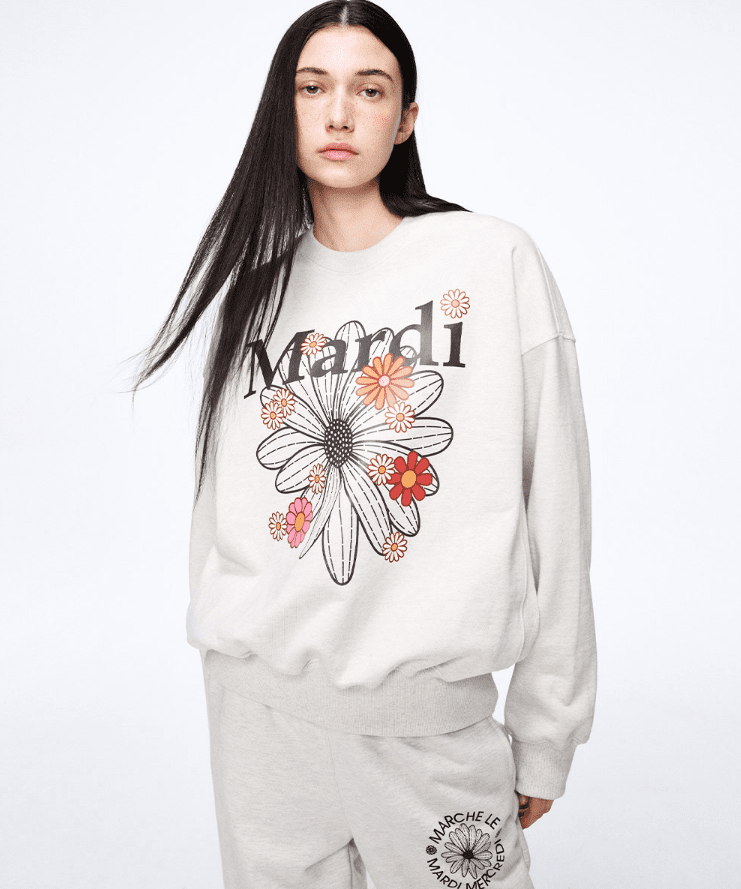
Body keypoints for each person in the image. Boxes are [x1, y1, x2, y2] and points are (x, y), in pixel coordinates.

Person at [127, 2, 597, 887]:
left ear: (405, 117)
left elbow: (557, 508)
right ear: (283, 109)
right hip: (260, 725)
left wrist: (547, 730)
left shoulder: (491, 260)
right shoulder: (252, 296)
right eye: (312, 88)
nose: (339, 113)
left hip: (428, 730)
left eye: (369, 89)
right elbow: (222, 517)